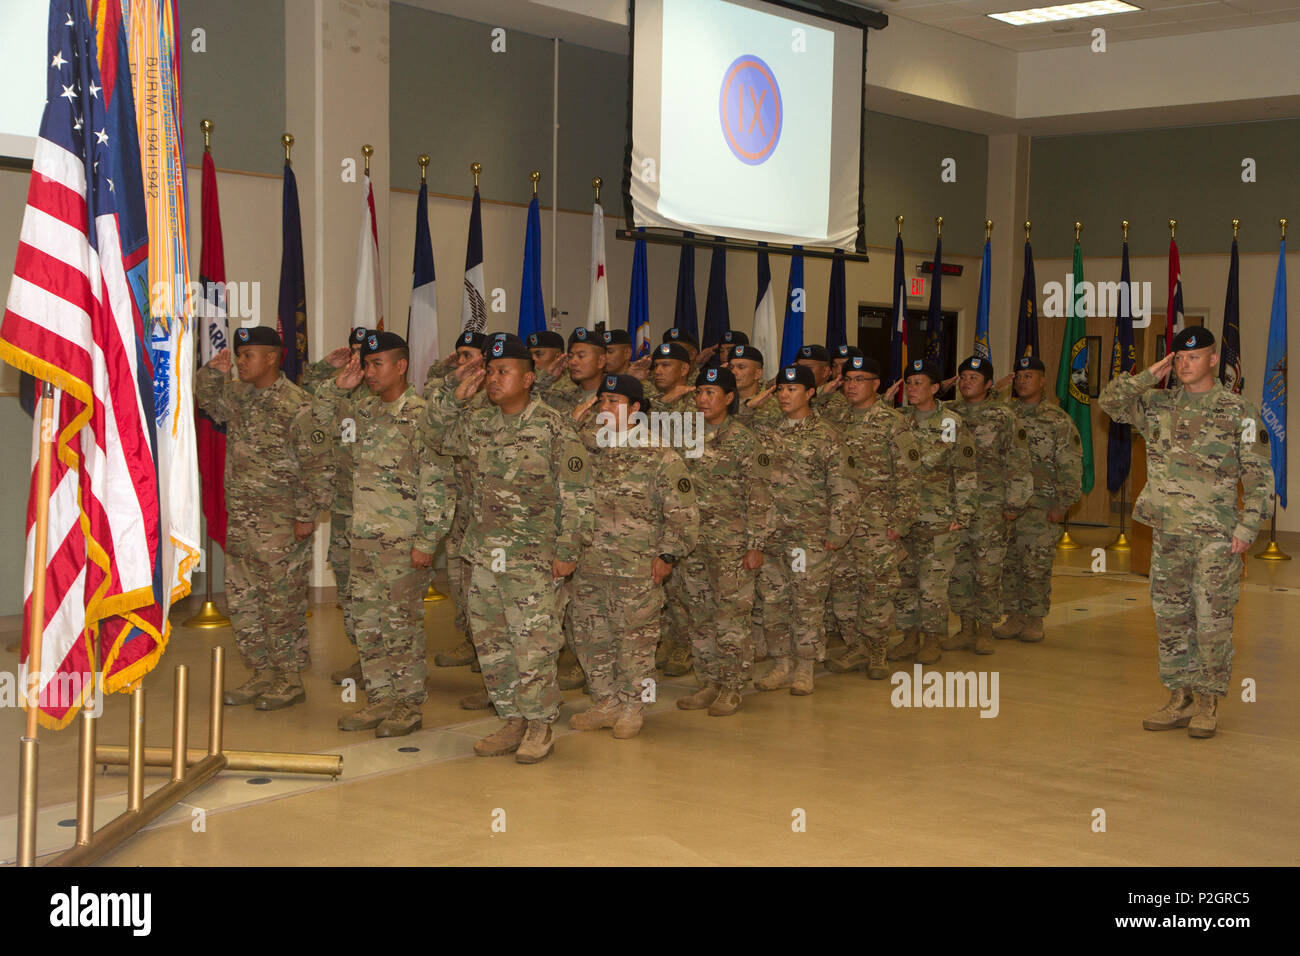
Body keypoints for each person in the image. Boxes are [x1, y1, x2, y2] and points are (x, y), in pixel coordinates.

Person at [1099, 328, 1271, 738]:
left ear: (1213, 360)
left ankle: (1208, 702)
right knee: (1172, 619)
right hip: (1168, 533)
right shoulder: (1157, 404)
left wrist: (1247, 528)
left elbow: (1261, 477)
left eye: (1194, 357)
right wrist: (1147, 374)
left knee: (1211, 621)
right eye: (1178, 357)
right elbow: (1109, 402)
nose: (1184, 363)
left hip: (1216, 536)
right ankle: (1179, 698)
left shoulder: (1239, 411)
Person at [430, 334, 594, 763]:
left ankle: (540, 723)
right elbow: (434, 436)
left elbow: (576, 495)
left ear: (528, 378)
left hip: (533, 559)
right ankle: (513, 719)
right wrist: (454, 396)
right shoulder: (479, 422)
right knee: (493, 643)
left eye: (503, 371)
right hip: (484, 555)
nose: (493, 378)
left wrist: (567, 550)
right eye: (490, 370)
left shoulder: (553, 427)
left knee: (535, 643)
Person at [317, 332, 454, 736]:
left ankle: (407, 705)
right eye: (366, 364)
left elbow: (438, 484)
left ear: (401, 365)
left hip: (403, 543)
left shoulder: (422, 416)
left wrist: (427, 542)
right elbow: (315, 427)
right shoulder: (363, 413)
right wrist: (334, 387)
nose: (369, 372)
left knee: (401, 627)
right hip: (362, 540)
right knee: (367, 624)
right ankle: (379, 699)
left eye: (378, 364)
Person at [195, 326, 334, 710]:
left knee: (281, 603)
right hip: (241, 519)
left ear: (272, 357)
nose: (241, 362)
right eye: (239, 355)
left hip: (280, 523)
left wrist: (306, 515)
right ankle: (260, 672)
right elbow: (207, 401)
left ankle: (288, 679)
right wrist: (213, 371)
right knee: (243, 601)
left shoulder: (298, 404)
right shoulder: (239, 396)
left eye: (248, 355)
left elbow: (319, 465)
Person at [567, 374, 699, 737]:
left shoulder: (659, 453)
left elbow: (684, 513)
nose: (605, 407)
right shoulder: (586, 446)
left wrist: (668, 556)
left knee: (635, 643)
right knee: (591, 637)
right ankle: (605, 702)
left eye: (615, 401)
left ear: (636, 409)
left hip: (636, 567)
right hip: (589, 564)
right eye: (602, 400)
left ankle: (632, 707)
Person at [753, 365, 857, 695]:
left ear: (810, 393)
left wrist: (837, 533)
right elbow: (755, 484)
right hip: (772, 536)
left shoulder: (827, 435)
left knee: (806, 601)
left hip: (807, 538)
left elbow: (844, 487)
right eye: (781, 389)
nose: (784, 395)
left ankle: (805, 666)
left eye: (792, 389)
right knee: (774, 601)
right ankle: (781, 663)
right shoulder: (767, 433)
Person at [672, 366, 771, 714]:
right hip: (693, 544)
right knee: (699, 615)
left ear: (730, 398)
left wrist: (756, 544)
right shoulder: (686, 435)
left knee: (731, 618)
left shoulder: (745, 440)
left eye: (710, 392)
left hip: (731, 545)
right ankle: (709, 680)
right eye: (699, 392)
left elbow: (759, 494)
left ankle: (731, 685)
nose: (701, 399)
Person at [826, 356, 918, 679]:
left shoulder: (893, 423)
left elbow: (909, 477)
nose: (852, 385)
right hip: (842, 523)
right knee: (844, 587)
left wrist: (901, 523)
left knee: (877, 588)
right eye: (848, 378)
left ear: (876, 384)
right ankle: (855, 644)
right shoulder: (836, 418)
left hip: (878, 524)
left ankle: (878, 648)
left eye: (860, 379)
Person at [889, 359, 977, 665]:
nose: (912, 389)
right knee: (906, 581)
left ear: (935, 388)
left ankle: (931, 639)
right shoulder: (898, 420)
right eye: (908, 383)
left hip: (938, 516)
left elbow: (965, 471)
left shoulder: (950, 423)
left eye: (919, 383)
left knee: (933, 584)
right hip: (903, 518)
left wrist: (962, 514)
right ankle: (909, 636)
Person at [943, 356, 1032, 654]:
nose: (967, 382)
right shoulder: (948, 414)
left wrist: (1014, 503)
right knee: (958, 569)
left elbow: (1018, 461)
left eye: (974, 377)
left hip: (989, 506)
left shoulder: (1003, 416)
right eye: (963, 376)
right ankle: (965, 627)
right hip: (954, 505)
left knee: (987, 569)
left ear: (989, 384)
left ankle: (985, 629)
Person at [992, 355, 1083, 644]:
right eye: (1018, 376)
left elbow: (1071, 464)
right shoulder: (1005, 414)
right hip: (1006, 505)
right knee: (1008, 564)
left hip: (1041, 506)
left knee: (1035, 565)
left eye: (1028, 376)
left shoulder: (1057, 420)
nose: (1021, 381)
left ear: (1043, 381)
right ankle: (1013, 616)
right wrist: (994, 392)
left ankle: (1034, 618)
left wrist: (1063, 504)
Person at [301, 326, 369, 684]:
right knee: (347, 588)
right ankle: (364, 660)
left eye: (366, 354)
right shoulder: (338, 394)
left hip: (378, 516)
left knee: (380, 597)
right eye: (354, 351)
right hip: (343, 511)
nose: (358, 360)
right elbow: (307, 400)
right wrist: (324, 368)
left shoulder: (383, 398)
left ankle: (391, 671)